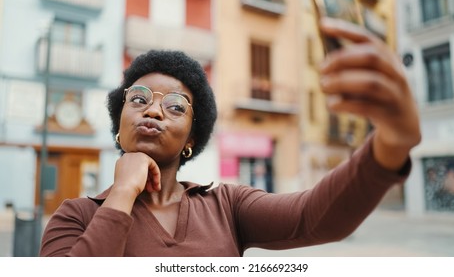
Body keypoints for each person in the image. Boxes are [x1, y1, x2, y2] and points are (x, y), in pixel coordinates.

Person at [39, 17, 421, 257]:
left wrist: (391, 141)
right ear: (118, 122)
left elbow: (314, 218)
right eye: (138, 99)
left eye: (175, 106)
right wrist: (122, 193)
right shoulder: (74, 217)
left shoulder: (227, 205)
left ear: (192, 136)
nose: (153, 110)